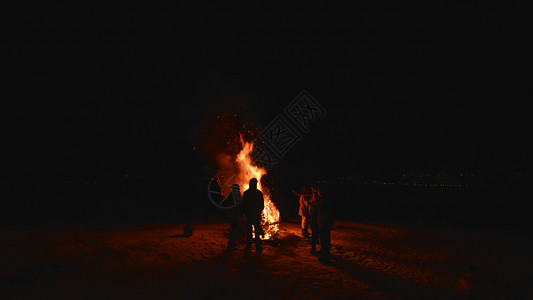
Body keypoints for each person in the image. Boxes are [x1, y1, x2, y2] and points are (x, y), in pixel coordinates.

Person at [242, 178, 264, 253]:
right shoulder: (258, 193)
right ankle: (256, 247)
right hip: (254, 216)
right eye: (254, 183)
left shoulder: (247, 193)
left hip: (250, 215)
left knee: (252, 232)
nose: (255, 184)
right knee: (254, 232)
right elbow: (262, 205)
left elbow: (243, 205)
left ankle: (250, 246)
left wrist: (244, 213)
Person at [223, 184, 243, 251]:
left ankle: (232, 243)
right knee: (234, 228)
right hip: (235, 214)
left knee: (233, 228)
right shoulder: (239, 195)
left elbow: (228, 203)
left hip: (233, 214)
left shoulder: (232, 194)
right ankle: (233, 243)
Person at [318, 189, 333, 264]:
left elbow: (323, 212)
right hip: (326, 222)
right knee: (325, 239)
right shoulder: (326, 200)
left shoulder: (324, 200)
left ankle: (325, 257)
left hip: (325, 222)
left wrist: (321, 220)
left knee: (324, 239)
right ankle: (325, 255)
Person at [309, 186, 321, 254]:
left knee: (315, 233)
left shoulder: (316, 206)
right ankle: (314, 247)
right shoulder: (316, 205)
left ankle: (314, 249)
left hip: (316, 221)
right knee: (315, 234)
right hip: (316, 220)